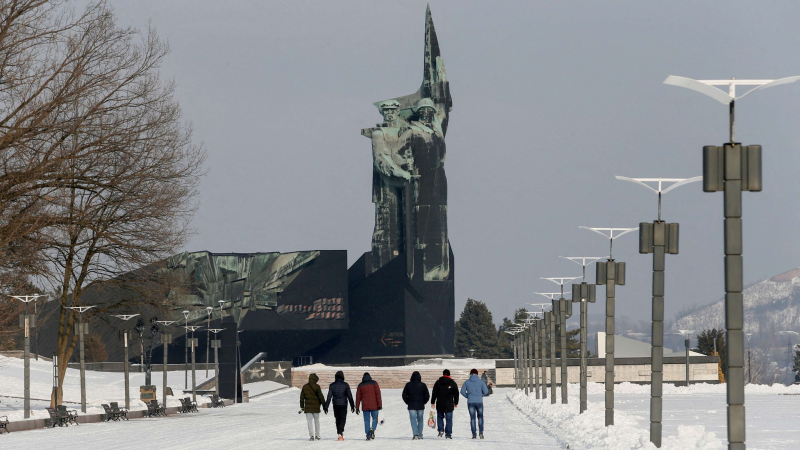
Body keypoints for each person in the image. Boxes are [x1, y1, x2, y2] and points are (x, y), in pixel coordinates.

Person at [324, 370, 355, 441]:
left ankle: (339, 432)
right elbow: (349, 396)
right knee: (342, 419)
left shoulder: (332, 385)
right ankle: (340, 432)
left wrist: (326, 406)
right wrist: (352, 405)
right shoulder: (346, 385)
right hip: (343, 404)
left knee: (337, 418)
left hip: (335, 404)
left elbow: (329, 396)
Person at [461, 368, 489, 439]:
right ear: (477, 374)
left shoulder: (467, 382)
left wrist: (468, 396)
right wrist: (481, 395)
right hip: (479, 401)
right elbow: (486, 392)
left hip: (470, 402)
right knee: (480, 417)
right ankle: (481, 433)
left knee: (472, 418)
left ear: (470, 374)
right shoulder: (481, 382)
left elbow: (462, 391)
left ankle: (474, 434)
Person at [430, 368, 459, 439]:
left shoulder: (438, 382)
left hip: (440, 403)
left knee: (440, 417)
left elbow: (434, 393)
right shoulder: (452, 383)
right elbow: (456, 394)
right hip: (449, 404)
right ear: (449, 374)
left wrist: (432, 402)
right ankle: (448, 434)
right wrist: (456, 402)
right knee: (449, 419)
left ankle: (440, 430)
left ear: (443, 374)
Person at [402, 371, 430, 440]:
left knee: (413, 419)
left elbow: (404, 395)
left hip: (411, 405)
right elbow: (427, 396)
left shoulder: (408, 385)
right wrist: (423, 402)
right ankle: (420, 434)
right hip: (420, 405)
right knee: (420, 420)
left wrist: (408, 402)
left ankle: (415, 433)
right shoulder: (423, 385)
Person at [355, 372, 383, 440]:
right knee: (375, 418)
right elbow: (378, 394)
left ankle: (368, 435)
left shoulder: (360, 385)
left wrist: (357, 407)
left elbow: (358, 397)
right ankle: (372, 429)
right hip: (374, 405)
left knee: (366, 421)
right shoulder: (374, 383)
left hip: (365, 406)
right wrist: (380, 405)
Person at [300, 373, 326, 441]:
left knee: (309, 422)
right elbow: (321, 397)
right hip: (316, 407)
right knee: (317, 421)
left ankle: (311, 436)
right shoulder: (317, 386)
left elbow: (302, 398)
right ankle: (317, 435)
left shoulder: (305, 387)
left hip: (308, 408)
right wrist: (324, 405)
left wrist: (302, 407)